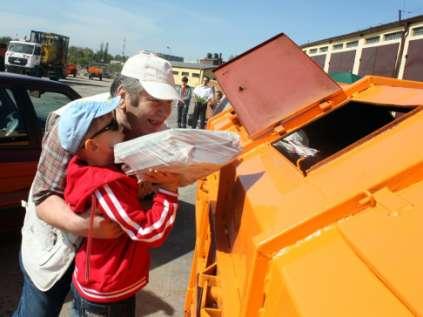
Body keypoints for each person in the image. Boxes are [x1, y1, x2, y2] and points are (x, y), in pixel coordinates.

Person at [13, 52, 180, 317]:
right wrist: (83, 225)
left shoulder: (154, 128)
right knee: (38, 310)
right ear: (124, 95)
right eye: (155, 100)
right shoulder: (77, 123)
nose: (164, 111)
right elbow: (44, 195)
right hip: (56, 241)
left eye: (169, 102)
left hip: (101, 264)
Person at [56, 98, 179, 316]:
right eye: (111, 124)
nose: (120, 125)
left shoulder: (99, 167)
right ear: (92, 146)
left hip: (109, 285)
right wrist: (168, 191)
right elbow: (149, 232)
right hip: (106, 292)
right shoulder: (105, 185)